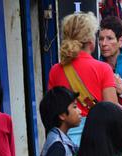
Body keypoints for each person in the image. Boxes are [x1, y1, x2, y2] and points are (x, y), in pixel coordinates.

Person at [48, 12, 118, 146]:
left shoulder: (55, 70)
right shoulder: (103, 69)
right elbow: (112, 113)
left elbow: (52, 112)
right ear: (91, 41)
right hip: (96, 141)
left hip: (64, 142)